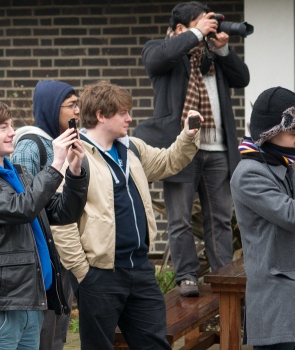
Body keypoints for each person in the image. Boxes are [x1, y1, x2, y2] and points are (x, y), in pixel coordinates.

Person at [51, 81, 201, 349]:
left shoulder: (131, 147)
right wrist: (82, 271)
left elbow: (167, 162)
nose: (130, 118)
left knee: (154, 344)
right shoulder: (76, 154)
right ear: (100, 115)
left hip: (140, 269)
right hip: (99, 275)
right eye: (122, 113)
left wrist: (187, 137)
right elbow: (61, 221)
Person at [133, 1, 250, 297]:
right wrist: (197, 33)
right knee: (180, 218)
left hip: (218, 150)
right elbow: (158, 60)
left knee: (220, 218)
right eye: (202, 23)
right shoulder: (161, 49)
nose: (209, 28)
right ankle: (186, 277)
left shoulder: (213, 56)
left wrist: (222, 49)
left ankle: (223, 274)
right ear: (182, 28)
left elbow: (243, 78)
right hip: (179, 149)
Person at [0, 97, 88, 350]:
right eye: (3, 126)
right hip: (3, 302)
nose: (12, 132)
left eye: (11, 125)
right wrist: (55, 164)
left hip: (32, 296)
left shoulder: (19, 173)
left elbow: (62, 213)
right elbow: (21, 209)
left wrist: (75, 172)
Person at [11, 80, 78, 350]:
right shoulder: (30, 146)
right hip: (42, 260)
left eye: (78, 104)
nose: (77, 111)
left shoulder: (62, 142)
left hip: (64, 255)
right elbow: (25, 204)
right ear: (52, 108)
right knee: (42, 336)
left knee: (58, 334)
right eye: (71, 105)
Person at [230, 87, 295, 350]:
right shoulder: (249, 173)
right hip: (276, 301)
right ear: (271, 132)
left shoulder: (283, 161)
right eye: (293, 132)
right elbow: (290, 214)